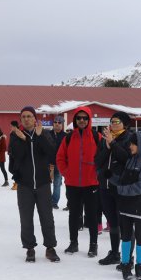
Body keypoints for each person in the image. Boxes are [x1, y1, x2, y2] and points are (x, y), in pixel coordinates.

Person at [9, 106, 59, 262]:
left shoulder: (43, 134)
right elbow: (17, 157)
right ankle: (30, 248)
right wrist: (24, 141)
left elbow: (52, 154)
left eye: (29, 116)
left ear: (35, 118)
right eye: (23, 116)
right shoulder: (15, 135)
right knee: (26, 218)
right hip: (25, 184)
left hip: (43, 183)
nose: (26, 119)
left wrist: (39, 138)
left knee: (47, 217)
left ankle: (50, 248)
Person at [56, 106, 100, 257]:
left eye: (85, 118)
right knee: (73, 214)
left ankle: (93, 245)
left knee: (92, 215)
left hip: (91, 183)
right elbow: (60, 158)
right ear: (75, 120)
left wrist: (97, 174)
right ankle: (73, 243)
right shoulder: (68, 138)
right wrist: (66, 173)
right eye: (79, 118)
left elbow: (103, 158)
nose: (82, 120)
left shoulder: (96, 137)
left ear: (89, 120)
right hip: (72, 184)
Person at [110, 131, 141, 280]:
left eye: (133, 143)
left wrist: (121, 190)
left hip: (139, 205)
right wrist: (111, 178)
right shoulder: (131, 160)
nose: (130, 146)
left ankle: (140, 266)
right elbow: (123, 180)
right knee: (126, 235)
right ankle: (126, 263)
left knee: (139, 235)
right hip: (126, 204)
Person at [94, 111, 133, 266]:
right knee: (112, 222)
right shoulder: (105, 140)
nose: (114, 124)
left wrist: (114, 144)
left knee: (125, 224)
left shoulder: (129, 138)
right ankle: (115, 253)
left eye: (117, 121)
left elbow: (127, 159)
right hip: (105, 186)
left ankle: (127, 256)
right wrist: (108, 146)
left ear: (125, 124)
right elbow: (97, 161)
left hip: (121, 187)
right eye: (112, 121)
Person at [48, 116, 66, 209]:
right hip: (48, 163)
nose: (57, 124)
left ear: (62, 124)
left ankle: (54, 202)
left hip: (59, 164)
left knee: (57, 183)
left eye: (59, 123)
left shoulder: (65, 136)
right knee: (46, 183)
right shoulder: (47, 134)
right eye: (55, 122)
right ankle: (47, 200)